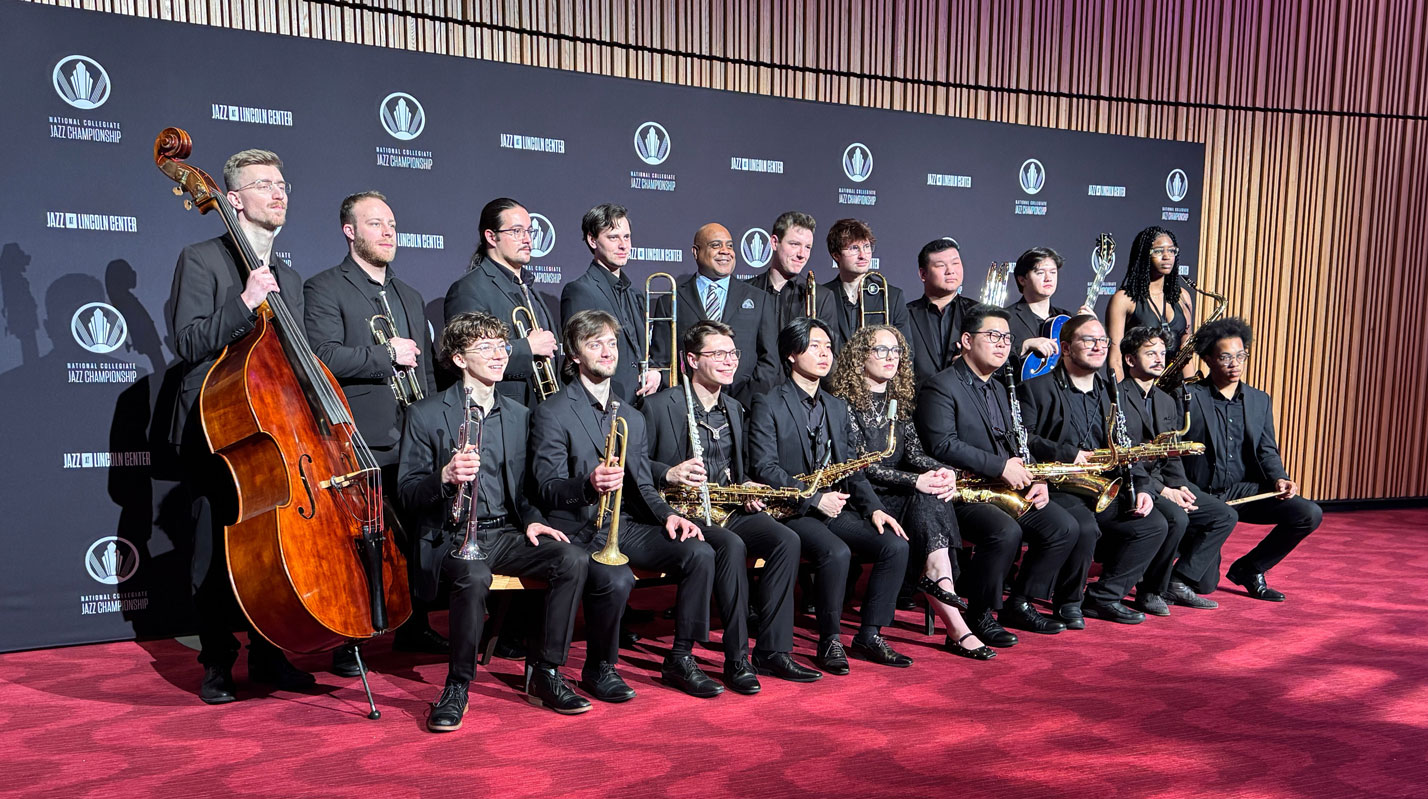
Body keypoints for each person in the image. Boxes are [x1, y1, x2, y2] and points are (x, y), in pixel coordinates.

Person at [166, 148, 315, 703]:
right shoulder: (201, 258)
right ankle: (217, 663)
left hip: (275, 429)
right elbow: (187, 343)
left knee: (273, 546)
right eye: (264, 185)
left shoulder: (291, 276)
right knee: (214, 549)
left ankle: (270, 654)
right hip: (220, 427)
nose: (279, 193)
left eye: (283, 184)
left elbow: (290, 360)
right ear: (232, 198)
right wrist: (246, 301)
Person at [398, 312, 592, 730]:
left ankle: (546, 672)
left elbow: (526, 490)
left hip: (505, 531)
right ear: (459, 359)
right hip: (452, 535)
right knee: (471, 576)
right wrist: (444, 477)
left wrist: (534, 520)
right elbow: (409, 493)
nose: (498, 355)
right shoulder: (425, 413)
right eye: (484, 347)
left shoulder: (521, 414)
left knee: (571, 559)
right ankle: (457, 685)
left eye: (502, 346)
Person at [530, 310, 725, 699]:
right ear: (573, 355)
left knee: (699, 552)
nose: (606, 351)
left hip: (622, 525)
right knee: (617, 578)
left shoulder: (631, 416)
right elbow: (546, 488)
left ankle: (681, 659)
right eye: (594, 343)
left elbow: (642, 484)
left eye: (612, 343)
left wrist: (670, 516)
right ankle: (600, 668)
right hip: (577, 528)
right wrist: (587, 485)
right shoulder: (552, 412)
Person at [302, 191, 445, 675]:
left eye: (392, 224)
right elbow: (320, 356)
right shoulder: (324, 287)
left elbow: (423, 371)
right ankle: (353, 637)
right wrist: (386, 357)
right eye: (376, 224)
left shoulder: (408, 295)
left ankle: (415, 624)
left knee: (416, 532)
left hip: (411, 434)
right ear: (350, 232)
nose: (388, 233)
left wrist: (430, 423)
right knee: (362, 539)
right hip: (359, 436)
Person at [643, 320, 822, 685]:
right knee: (731, 545)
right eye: (718, 354)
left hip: (727, 508)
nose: (729, 362)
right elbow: (635, 465)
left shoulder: (735, 409)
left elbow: (736, 472)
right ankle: (737, 658)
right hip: (681, 512)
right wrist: (669, 473)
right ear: (691, 360)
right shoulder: (659, 406)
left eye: (733, 354)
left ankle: (772, 649)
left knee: (786, 540)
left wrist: (747, 489)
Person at [748, 317, 913, 673]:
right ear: (791, 354)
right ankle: (830, 640)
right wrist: (811, 499)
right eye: (814, 346)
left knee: (894, 544)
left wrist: (874, 510)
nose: (824, 354)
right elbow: (765, 468)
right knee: (835, 552)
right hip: (792, 511)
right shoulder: (768, 402)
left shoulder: (836, 406)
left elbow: (851, 466)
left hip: (835, 508)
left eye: (827, 347)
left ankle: (870, 634)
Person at [914, 305, 1080, 645]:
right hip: (959, 490)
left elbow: (1019, 440)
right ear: (965, 340)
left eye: (1007, 337)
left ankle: (1019, 602)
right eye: (993, 336)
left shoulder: (1004, 386)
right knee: (1004, 533)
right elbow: (942, 445)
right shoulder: (940, 386)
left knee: (1063, 527)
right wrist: (999, 466)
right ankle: (978, 613)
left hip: (1001, 487)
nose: (1002, 344)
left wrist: (1036, 478)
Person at [828, 325, 993, 660]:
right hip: (862, 498)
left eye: (896, 351)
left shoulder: (898, 400)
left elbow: (914, 454)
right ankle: (950, 607)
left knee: (931, 493)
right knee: (925, 495)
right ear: (861, 358)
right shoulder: (841, 403)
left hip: (900, 494)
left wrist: (944, 471)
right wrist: (916, 481)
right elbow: (860, 467)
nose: (891, 358)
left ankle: (941, 586)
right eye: (881, 350)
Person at [1018, 315, 1170, 626]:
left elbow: (1124, 445)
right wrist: (1069, 454)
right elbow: (1024, 440)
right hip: (1056, 484)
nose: (1098, 347)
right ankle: (1067, 602)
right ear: (1065, 347)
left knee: (1154, 524)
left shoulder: (1111, 392)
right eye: (1088, 340)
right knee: (1084, 526)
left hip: (1102, 485)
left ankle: (1103, 597)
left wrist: (1142, 487)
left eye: (1103, 341)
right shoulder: (1034, 389)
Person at [1183, 317, 1322, 601]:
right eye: (1226, 357)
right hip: (1202, 494)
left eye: (1241, 356)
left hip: (1244, 491)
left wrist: (1279, 478)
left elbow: (1266, 450)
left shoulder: (1260, 400)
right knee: (1205, 586)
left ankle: (1251, 568)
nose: (1235, 363)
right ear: (1209, 358)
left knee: (1307, 513)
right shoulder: (1187, 396)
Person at [1116, 325, 1238, 613]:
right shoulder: (1116, 396)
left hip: (1164, 482)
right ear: (1130, 360)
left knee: (1224, 514)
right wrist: (1163, 490)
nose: (1160, 359)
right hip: (1132, 483)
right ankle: (1149, 592)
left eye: (1162, 352)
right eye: (1150, 353)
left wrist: (1181, 485)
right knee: (1177, 519)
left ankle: (1179, 580)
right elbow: (1125, 457)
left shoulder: (1166, 399)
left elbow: (1171, 454)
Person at [444, 198, 560, 406]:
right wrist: (528, 347)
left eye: (529, 231)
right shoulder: (469, 289)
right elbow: (469, 356)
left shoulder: (527, 286)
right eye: (516, 231)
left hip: (542, 410)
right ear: (491, 236)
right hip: (501, 410)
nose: (527, 240)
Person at [648, 223, 780, 406]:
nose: (725, 251)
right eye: (716, 245)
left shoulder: (759, 299)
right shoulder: (671, 301)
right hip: (687, 409)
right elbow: (663, 363)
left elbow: (770, 362)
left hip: (744, 411)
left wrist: (741, 404)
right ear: (696, 252)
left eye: (730, 245)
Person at [559, 203, 662, 403]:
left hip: (641, 405)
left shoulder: (634, 293)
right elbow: (579, 358)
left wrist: (655, 372)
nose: (623, 245)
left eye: (627, 237)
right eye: (613, 237)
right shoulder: (580, 291)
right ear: (592, 240)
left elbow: (641, 351)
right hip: (603, 405)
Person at [1106, 226, 1194, 380]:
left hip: (1175, 390)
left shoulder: (1182, 296)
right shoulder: (1124, 299)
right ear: (1144, 255)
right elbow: (1115, 358)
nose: (1167, 256)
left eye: (1172, 251)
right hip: (1138, 387)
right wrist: (1122, 398)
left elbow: (1186, 351)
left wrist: (1191, 390)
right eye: (1159, 251)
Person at [819, 218, 911, 351]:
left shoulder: (891, 296)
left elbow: (906, 351)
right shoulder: (822, 296)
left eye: (866, 247)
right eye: (854, 248)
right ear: (836, 255)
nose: (863, 255)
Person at [1004, 247, 1091, 375]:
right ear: (1022, 279)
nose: (1048, 278)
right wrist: (1025, 346)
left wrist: (1093, 331)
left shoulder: (1068, 318)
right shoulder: (1006, 318)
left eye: (1053, 272)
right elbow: (991, 359)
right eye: (1040, 273)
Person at [904, 238, 978, 383]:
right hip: (918, 401)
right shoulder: (905, 314)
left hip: (965, 399)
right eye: (940, 265)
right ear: (923, 274)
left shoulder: (978, 312)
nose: (950, 271)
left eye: (955, 263)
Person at [746, 211, 833, 331]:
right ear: (774, 243)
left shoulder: (821, 297)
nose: (802, 254)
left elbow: (828, 347)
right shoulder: (746, 291)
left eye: (808, 247)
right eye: (795, 244)